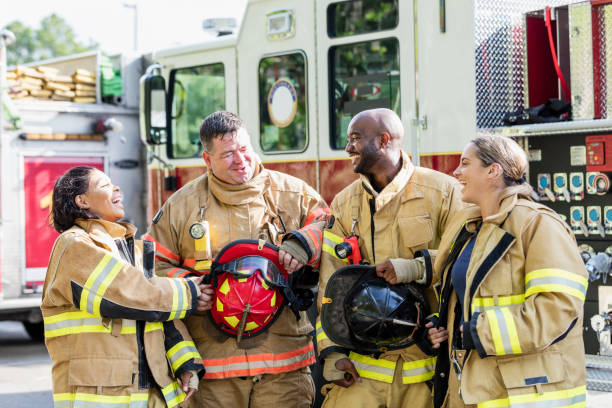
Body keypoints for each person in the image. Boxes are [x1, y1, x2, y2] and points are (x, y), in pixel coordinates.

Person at [146, 111, 329, 408]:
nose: (240, 160)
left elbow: (330, 228)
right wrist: (190, 289)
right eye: (228, 154)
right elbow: (152, 268)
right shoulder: (182, 206)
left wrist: (304, 243)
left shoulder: (292, 194)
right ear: (207, 160)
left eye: (244, 149)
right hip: (214, 369)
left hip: (283, 364)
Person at [424, 135, 587, 407]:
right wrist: (446, 328)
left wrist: (480, 332)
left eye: (465, 163)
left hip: (525, 394)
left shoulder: (538, 224)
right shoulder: (471, 227)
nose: (456, 172)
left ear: (493, 171)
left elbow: (558, 307)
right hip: (473, 387)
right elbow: (467, 297)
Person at [316, 108, 463, 408]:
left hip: (425, 372)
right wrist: (331, 352)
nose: (348, 148)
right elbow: (329, 286)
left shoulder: (443, 193)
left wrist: (416, 268)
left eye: (355, 139)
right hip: (362, 373)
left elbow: (466, 260)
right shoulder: (344, 203)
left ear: (384, 141)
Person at [42, 166, 213, 408]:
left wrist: (185, 363)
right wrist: (189, 292)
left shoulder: (132, 249)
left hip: (148, 392)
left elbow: (160, 312)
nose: (117, 188)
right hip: (103, 396)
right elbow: (126, 294)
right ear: (81, 200)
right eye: (104, 185)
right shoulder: (74, 245)